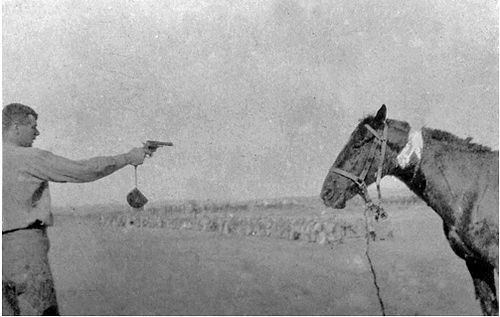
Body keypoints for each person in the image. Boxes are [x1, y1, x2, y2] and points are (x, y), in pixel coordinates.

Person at [2, 103, 155, 315]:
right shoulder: (28, 158)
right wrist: (128, 158)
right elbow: (84, 170)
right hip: (25, 252)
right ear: (16, 127)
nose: (37, 132)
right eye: (32, 126)